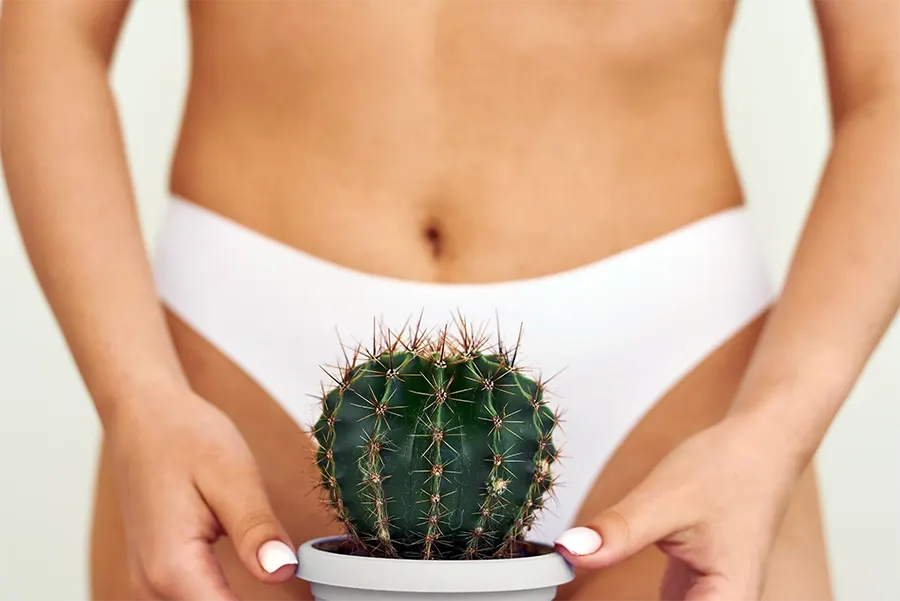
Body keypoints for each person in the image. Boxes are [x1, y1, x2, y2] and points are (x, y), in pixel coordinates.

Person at [2, 0, 898, 599]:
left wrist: (774, 432)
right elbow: (43, 30)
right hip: (227, 355)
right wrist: (136, 395)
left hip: (686, 376)